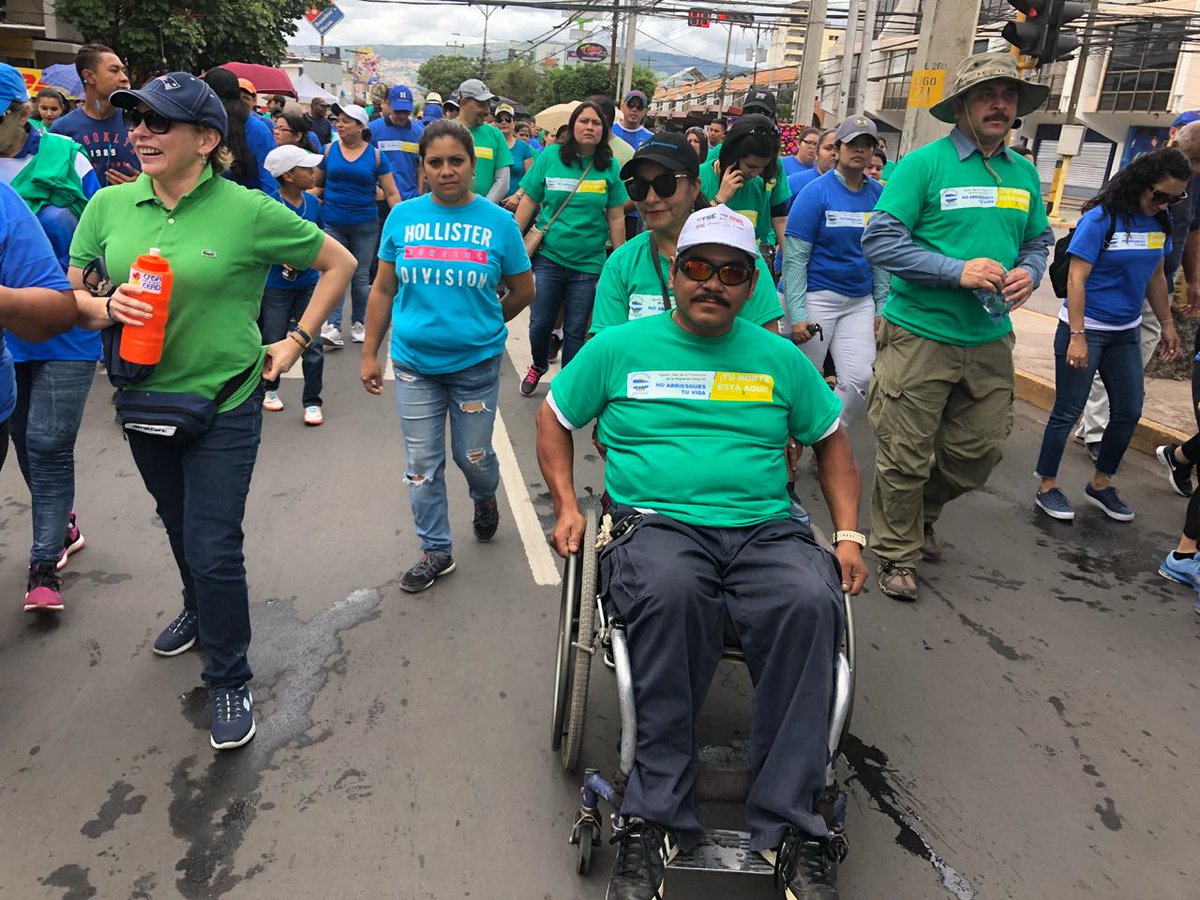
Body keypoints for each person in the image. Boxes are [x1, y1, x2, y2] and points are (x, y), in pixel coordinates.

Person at [536, 205, 865, 900]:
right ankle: (653, 817)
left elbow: (832, 441)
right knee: (671, 595)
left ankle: (793, 826)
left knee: (810, 602)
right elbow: (556, 417)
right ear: (675, 272)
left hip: (765, 528)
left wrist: (847, 535)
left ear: (750, 284)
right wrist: (566, 505)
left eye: (731, 273)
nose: (712, 283)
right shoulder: (619, 347)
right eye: (697, 267)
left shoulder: (779, 359)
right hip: (658, 525)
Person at [68, 72, 355, 750]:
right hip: (143, 395)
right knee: (176, 523)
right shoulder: (108, 204)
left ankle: (229, 676)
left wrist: (295, 340)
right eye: (135, 120)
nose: (140, 133)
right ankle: (197, 609)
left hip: (226, 399)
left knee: (213, 543)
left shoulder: (248, 210)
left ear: (206, 138)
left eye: (157, 122)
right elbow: (72, 290)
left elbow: (339, 263)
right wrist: (103, 306)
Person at [861, 52, 1054, 602]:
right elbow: (879, 240)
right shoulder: (924, 165)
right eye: (987, 94)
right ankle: (897, 551)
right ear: (962, 105)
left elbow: (1038, 239)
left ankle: (919, 513)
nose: (1000, 104)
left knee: (979, 453)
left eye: (1009, 95)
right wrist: (956, 270)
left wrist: (1030, 270)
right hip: (920, 335)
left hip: (989, 339)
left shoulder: (1023, 173)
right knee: (904, 453)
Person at [361, 120, 534, 592]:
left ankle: (484, 496)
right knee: (422, 465)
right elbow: (382, 289)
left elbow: (524, 289)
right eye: (435, 162)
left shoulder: (499, 223)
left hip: (475, 366)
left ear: (473, 165)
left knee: (473, 456)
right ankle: (435, 550)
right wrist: (370, 353)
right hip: (414, 365)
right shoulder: (402, 218)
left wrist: (488, 321)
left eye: (456, 161)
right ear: (423, 168)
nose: (446, 171)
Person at [1032, 148, 1185, 522]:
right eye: (1160, 195)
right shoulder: (1102, 219)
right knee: (1068, 410)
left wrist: (1167, 323)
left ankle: (1101, 484)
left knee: (1129, 410)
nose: (1164, 204)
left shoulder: (1159, 222)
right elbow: (1076, 279)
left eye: (1175, 198)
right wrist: (1078, 335)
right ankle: (1047, 486)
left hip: (1125, 332)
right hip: (1086, 328)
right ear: (1140, 184)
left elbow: (1156, 276)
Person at [0, 63, 102, 612]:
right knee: (21, 437)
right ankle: (61, 523)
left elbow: (100, 229)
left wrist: (96, 285)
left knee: (47, 443)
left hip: (67, 319)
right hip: (8, 331)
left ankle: (43, 566)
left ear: (20, 112)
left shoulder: (67, 157)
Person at [1074, 119, 1200, 459]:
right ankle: (1097, 432)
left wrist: (1193, 278)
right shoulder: (1142, 172)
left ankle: (1095, 426)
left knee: (1134, 360)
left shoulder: (1193, 183)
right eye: (1192, 158)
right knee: (1109, 357)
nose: (1194, 168)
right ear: (1175, 142)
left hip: (1158, 279)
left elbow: (1193, 230)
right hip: (1119, 283)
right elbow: (1100, 216)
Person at [592, 132, 782, 335]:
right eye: (639, 187)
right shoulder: (621, 264)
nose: (651, 198)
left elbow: (767, 343)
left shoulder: (739, 255)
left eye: (665, 184)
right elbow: (604, 349)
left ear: (694, 188)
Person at [515, 100, 628, 395]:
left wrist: (619, 260)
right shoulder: (550, 157)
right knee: (540, 323)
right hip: (549, 258)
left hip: (589, 263)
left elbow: (616, 216)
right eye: (584, 121)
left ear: (604, 130)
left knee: (576, 330)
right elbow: (529, 199)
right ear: (573, 125)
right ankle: (539, 364)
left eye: (596, 123)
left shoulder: (609, 166)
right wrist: (512, 244)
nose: (589, 127)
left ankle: (566, 386)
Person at [784, 115, 886, 427]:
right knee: (803, 380)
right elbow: (795, 258)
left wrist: (881, 306)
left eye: (867, 144)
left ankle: (827, 437)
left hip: (859, 301)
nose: (860, 149)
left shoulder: (879, 195)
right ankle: (788, 442)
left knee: (860, 379)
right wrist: (798, 313)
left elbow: (881, 256)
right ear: (838, 147)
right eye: (853, 143)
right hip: (818, 297)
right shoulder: (815, 192)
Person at [315, 102, 400, 347]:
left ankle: (359, 323)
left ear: (361, 126)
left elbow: (391, 192)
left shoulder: (376, 156)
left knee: (361, 277)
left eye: (346, 121)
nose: (339, 125)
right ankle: (333, 326)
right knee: (334, 273)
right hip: (332, 223)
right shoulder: (328, 150)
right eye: (338, 121)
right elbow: (317, 184)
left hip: (365, 225)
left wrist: (402, 221)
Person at [261, 145, 328, 425]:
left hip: (309, 284)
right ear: (288, 175)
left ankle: (312, 401)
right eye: (306, 169)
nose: (314, 173)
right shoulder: (269, 206)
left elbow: (322, 238)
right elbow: (260, 243)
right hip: (276, 286)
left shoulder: (313, 203)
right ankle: (269, 389)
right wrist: (282, 257)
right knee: (273, 337)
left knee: (312, 343)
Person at [700, 113, 791, 250]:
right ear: (731, 156)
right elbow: (686, 231)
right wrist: (719, 199)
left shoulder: (758, 186)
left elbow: (757, 237)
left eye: (762, 167)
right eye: (750, 166)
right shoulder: (698, 178)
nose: (755, 174)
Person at [51, 43, 139, 185]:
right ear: (90, 76)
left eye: (123, 71)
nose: (124, 78)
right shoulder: (61, 130)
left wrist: (143, 183)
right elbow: (55, 182)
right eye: (114, 70)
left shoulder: (138, 120)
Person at [202, 67, 279, 199]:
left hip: (245, 206)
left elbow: (270, 184)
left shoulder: (256, 130)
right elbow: (270, 185)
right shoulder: (259, 129)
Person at [455, 79, 510, 203]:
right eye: (481, 104)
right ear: (463, 103)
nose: (487, 111)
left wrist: (483, 208)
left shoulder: (495, 135)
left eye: (488, 104)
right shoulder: (444, 132)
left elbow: (503, 181)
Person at [373, 84, 424, 201]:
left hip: (410, 198)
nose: (402, 116)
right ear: (389, 105)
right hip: (383, 199)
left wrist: (420, 190)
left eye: (406, 112)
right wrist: (375, 189)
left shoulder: (419, 133)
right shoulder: (373, 130)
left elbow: (421, 165)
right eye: (398, 112)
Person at [495, 103, 533, 206]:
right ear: (495, 123)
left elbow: (530, 176)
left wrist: (518, 195)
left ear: (514, 123)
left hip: (515, 203)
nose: (504, 122)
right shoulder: (491, 145)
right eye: (500, 120)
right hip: (491, 201)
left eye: (508, 119)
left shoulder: (523, 147)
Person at [787, 127, 837, 198]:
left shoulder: (850, 187)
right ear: (817, 153)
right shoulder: (793, 180)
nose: (834, 153)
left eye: (838, 149)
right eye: (828, 148)